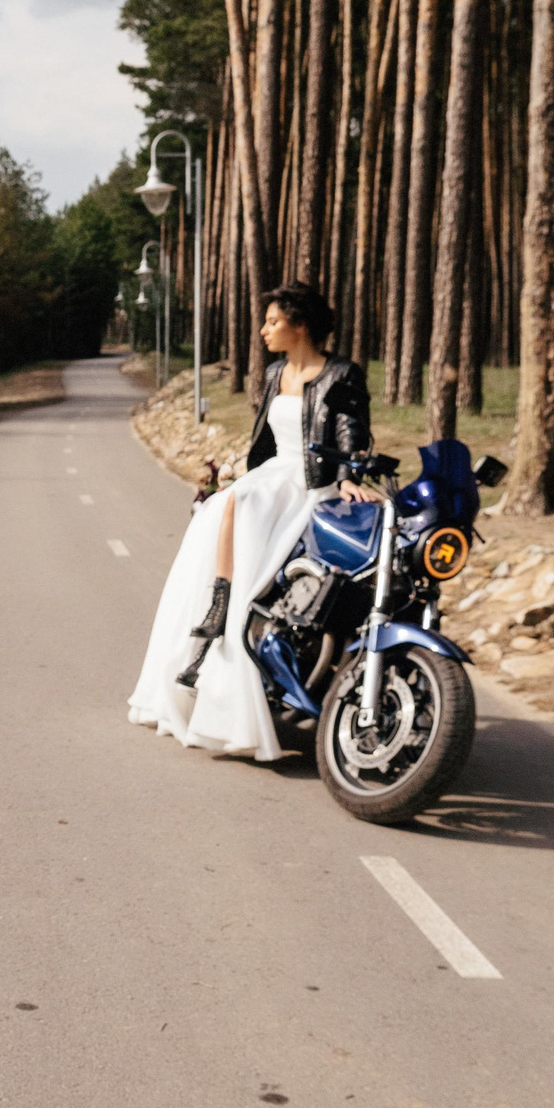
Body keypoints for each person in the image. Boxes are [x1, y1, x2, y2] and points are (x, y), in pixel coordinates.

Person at [126, 281, 378, 760]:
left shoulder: (341, 374)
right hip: (273, 476)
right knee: (224, 505)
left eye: (273, 321)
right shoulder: (275, 372)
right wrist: (236, 476)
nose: (264, 330)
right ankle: (220, 609)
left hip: (313, 482)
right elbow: (265, 440)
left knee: (239, 506)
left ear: (299, 325)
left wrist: (349, 478)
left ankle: (231, 608)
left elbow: (352, 433)